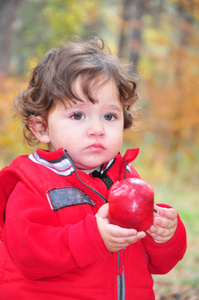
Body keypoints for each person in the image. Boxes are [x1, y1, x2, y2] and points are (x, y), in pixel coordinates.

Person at [0, 38, 186, 300]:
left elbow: (160, 265)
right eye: (78, 115)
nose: (97, 129)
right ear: (41, 128)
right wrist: (93, 237)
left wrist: (165, 237)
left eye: (109, 116)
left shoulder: (128, 180)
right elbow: (28, 255)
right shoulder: (32, 182)